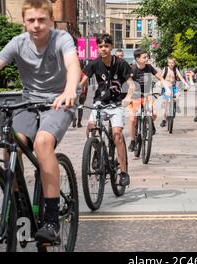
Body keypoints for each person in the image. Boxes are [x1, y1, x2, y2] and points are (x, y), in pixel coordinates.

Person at [0, 0, 81, 243]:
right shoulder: (18, 43)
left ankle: (51, 220)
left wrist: (70, 89)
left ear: (51, 20)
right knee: (11, 144)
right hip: (29, 102)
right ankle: (20, 207)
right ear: (23, 22)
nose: (36, 25)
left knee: (42, 143)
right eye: (31, 20)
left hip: (58, 102)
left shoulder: (61, 39)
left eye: (42, 20)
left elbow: (72, 64)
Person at [80, 34, 135, 186]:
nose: (103, 49)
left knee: (116, 134)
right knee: (91, 127)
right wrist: (74, 93)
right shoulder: (94, 63)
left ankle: (123, 172)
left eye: (106, 46)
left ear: (111, 47)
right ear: (97, 48)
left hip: (117, 103)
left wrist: (127, 98)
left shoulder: (121, 63)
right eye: (100, 46)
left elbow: (131, 85)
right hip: (100, 101)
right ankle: (96, 150)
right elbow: (82, 81)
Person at [128, 49, 171, 152]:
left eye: (147, 57)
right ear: (138, 59)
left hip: (147, 95)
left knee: (154, 115)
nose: (147, 59)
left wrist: (167, 88)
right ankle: (133, 141)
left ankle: (149, 123)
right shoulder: (132, 69)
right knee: (133, 119)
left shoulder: (149, 68)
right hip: (135, 96)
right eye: (144, 57)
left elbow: (161, 78)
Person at [160, 57, 190, 127]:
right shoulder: (166, 69)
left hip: (173, 87)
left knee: (177, 96)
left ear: (174, 63)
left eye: (172, 63)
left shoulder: (175, 69)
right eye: (170, 63)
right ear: (168, 63)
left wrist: (186, 84)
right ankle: (164, 120)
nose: (171, 64)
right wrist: (160, 83)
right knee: (165, 103)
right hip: (166, 87)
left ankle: (174, 105)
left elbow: (181, 77)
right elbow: (161, 77)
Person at [72, 60, 88, 128]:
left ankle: (74, 117)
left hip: (74, 92)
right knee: (80, 107)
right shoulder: (84, 74)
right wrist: (85, 93)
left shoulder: (73, 73)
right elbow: (86, 85)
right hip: (82, 93)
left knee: (72, 106)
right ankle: (79, 122)